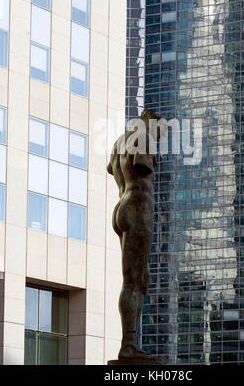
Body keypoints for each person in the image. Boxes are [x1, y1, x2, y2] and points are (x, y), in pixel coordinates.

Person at [107, 109, 166, 362]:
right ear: (151, 123)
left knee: (139, 280)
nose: (160, 138)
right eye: (160, 132)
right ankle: (128, 344)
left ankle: (129, 342)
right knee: (134, 281)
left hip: (122, 205)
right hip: (138, 208)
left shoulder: (121, 139)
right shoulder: (144, 136)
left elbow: (111, 167)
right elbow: (143, 163)